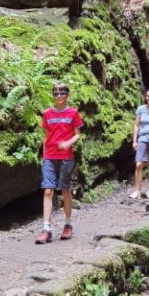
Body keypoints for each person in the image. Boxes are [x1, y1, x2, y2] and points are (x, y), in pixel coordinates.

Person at [36, 82, 84, 244]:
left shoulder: (73, 113)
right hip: (49, 156)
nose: (58, 97)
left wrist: (68, 143)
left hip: (66, 157)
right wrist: (44, 154)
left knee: (65, 189)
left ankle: (68, 224)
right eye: (56, 94)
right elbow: (46, 135)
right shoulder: (47, 114)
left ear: (67, 95)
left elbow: (78, 134)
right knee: (48, 190)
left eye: (62, 93)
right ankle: (46, 228)